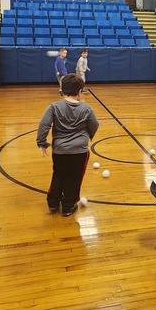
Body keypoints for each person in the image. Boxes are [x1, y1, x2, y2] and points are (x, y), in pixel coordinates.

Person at [37, 73, 100, 217]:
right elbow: (95, 124)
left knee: (58, 174)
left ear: (62, 90)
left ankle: (53, 202)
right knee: (74, 178)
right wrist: (89, 135)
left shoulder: (54, 107)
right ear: (79, 92)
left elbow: (43, 125)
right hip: (80, 152)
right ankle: (68, 206)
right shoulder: (87, 108)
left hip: (60, 151)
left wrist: (42, 143)